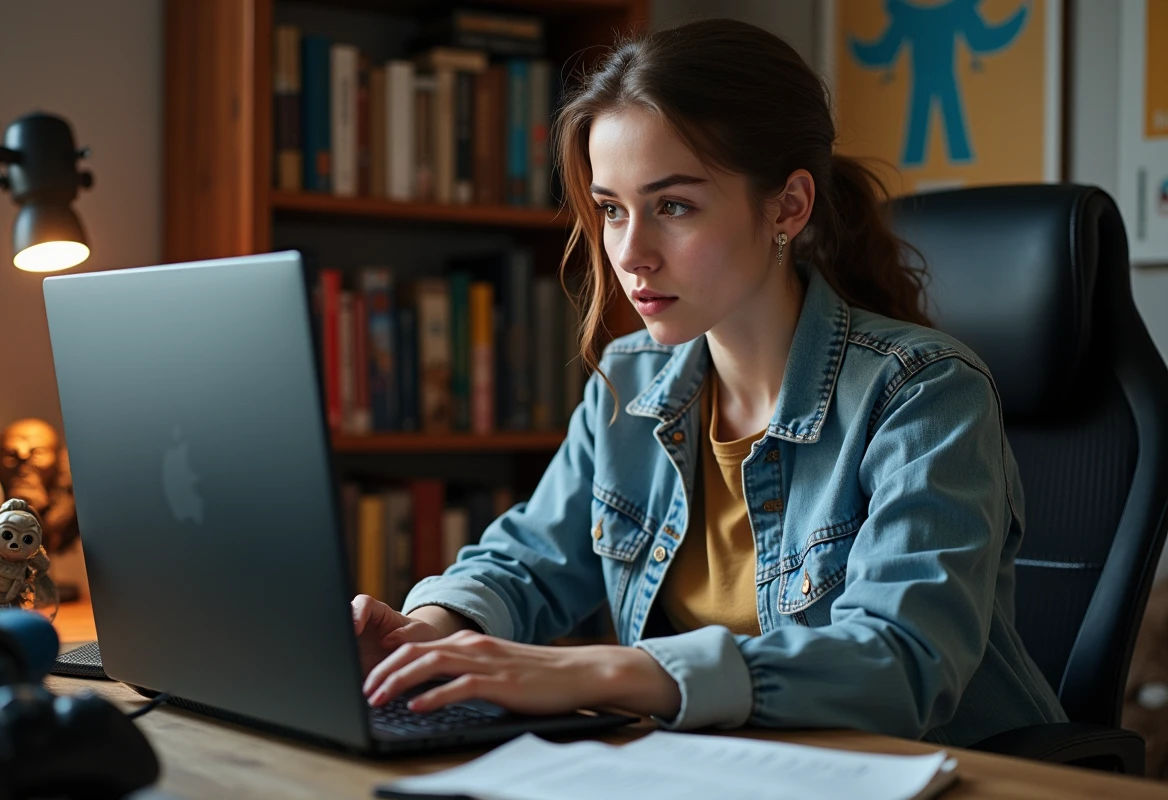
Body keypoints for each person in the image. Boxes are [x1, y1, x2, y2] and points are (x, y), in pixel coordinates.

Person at [353, 18, 1068, 746]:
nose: (631, 254)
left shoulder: (923, 394)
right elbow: (528, 562)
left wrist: (603, 674)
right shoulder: (630, 380)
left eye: (673, 206)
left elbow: (901, 661)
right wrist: (427, 634)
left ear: (788, 206)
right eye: (610, 209)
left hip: (946, 773)